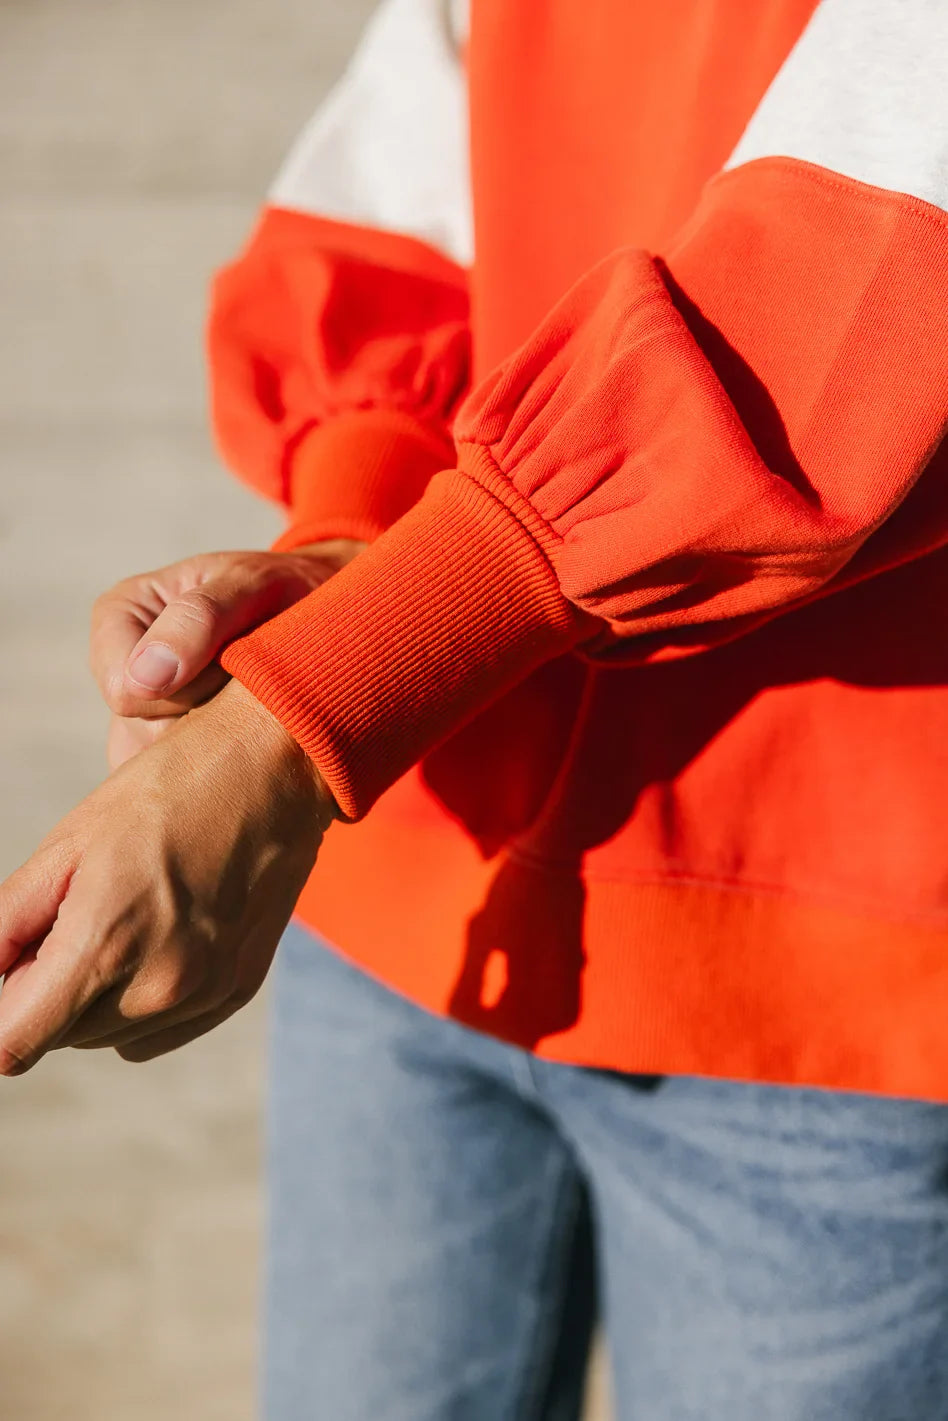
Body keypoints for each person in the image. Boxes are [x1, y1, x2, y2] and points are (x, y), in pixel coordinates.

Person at [3, 0, 948, 1415]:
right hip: (412, 875)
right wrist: (338, 558)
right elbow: (431, 147)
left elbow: (869, 283)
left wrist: (303, 712)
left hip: (812, 990)